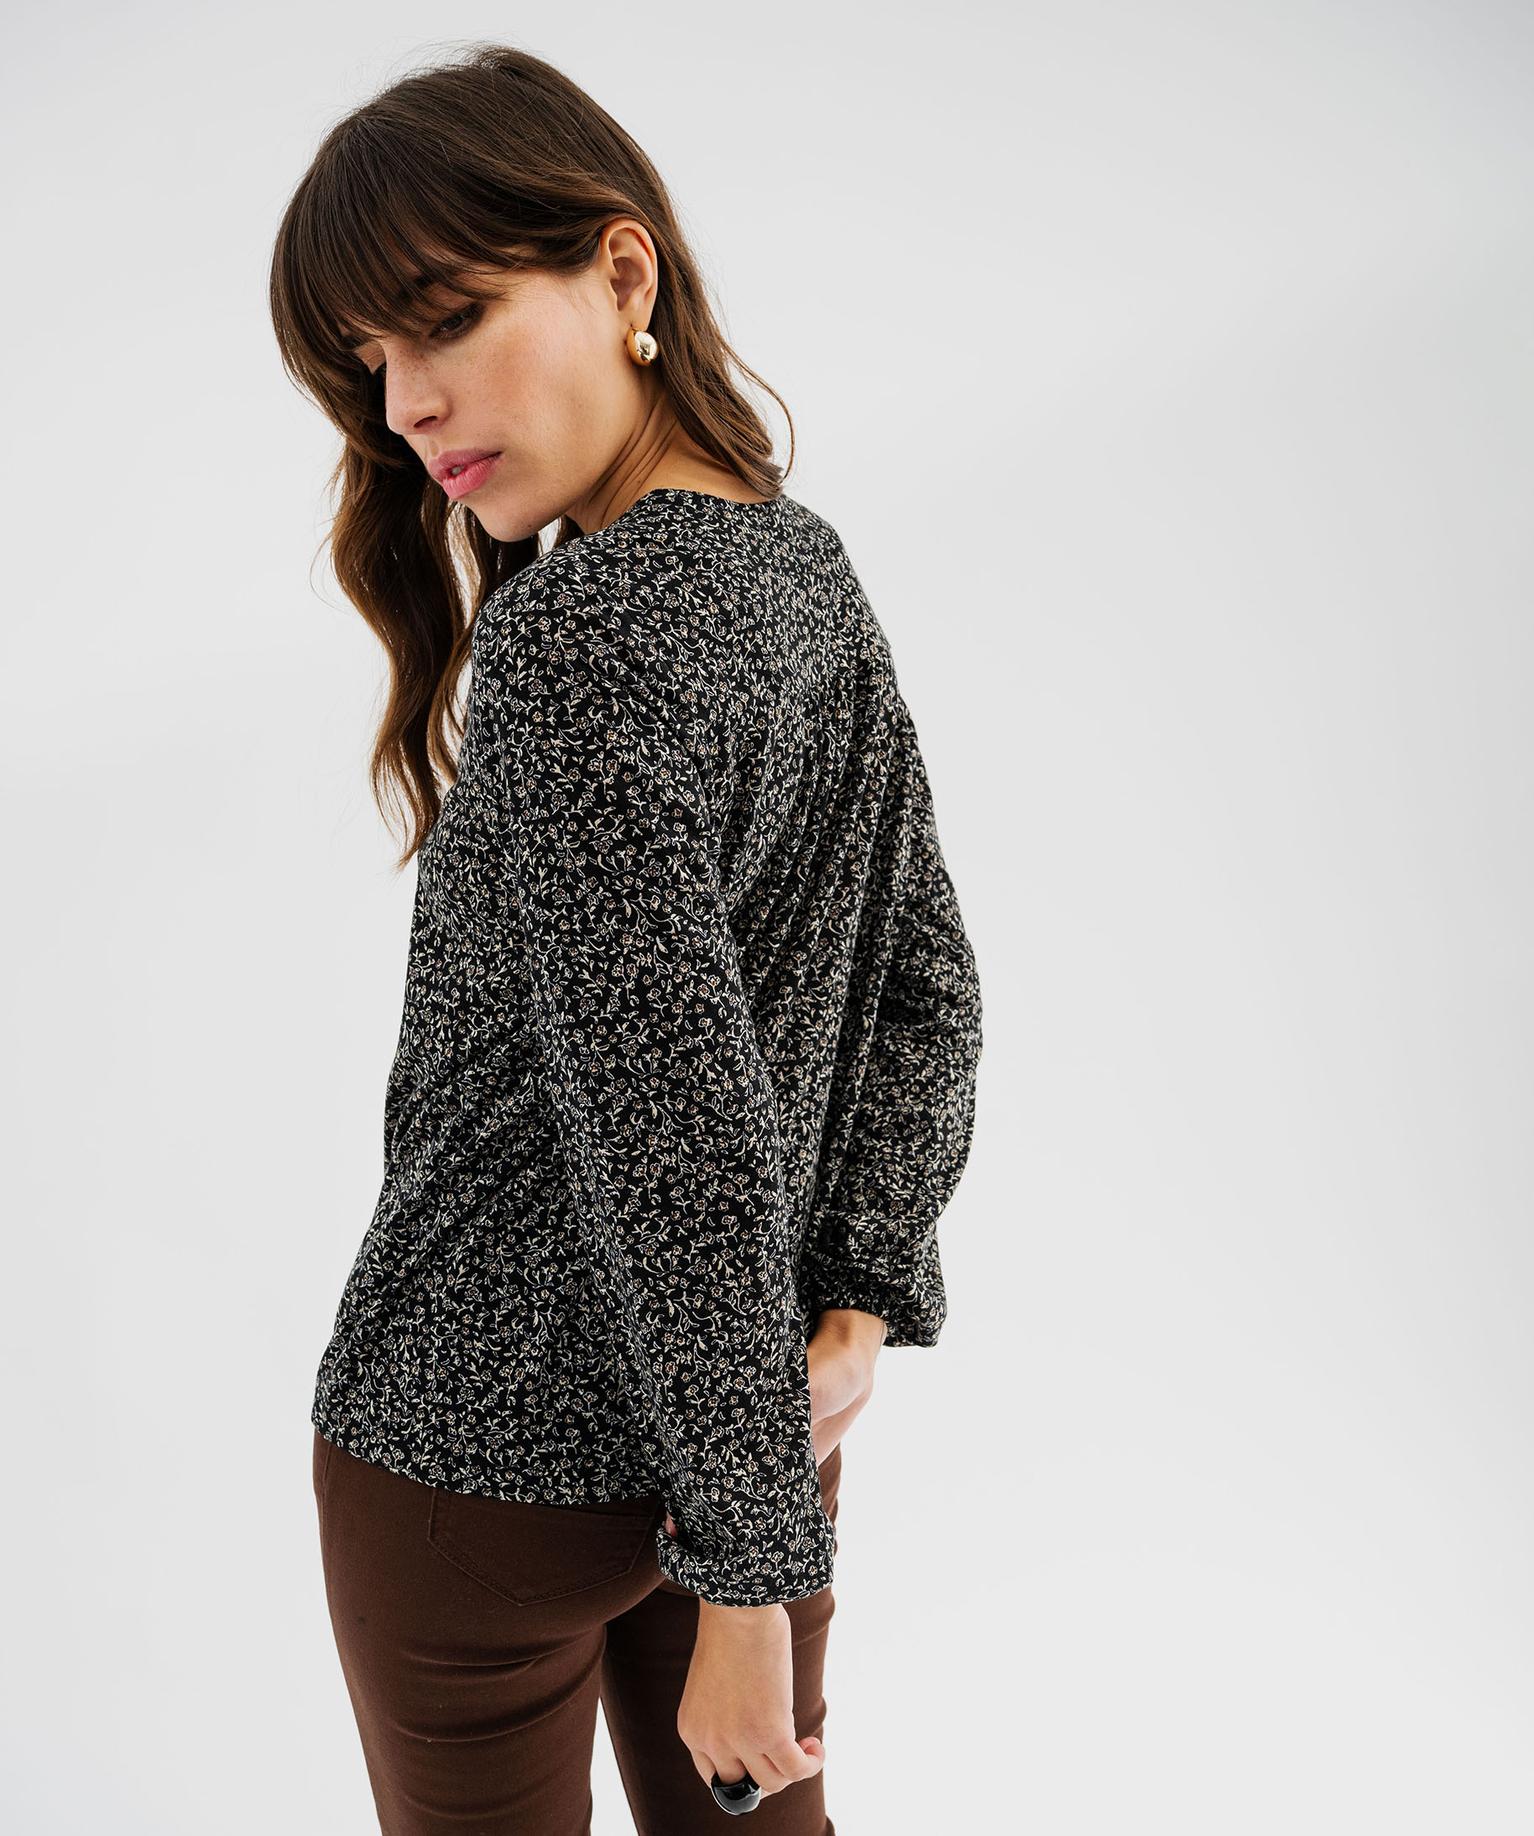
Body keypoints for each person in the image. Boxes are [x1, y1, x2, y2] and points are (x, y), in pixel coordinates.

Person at [269, 42, 983, 1836]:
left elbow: (672, 1130)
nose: (410, 403)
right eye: (372, 360)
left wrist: (745, 1578)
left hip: (476, 1469)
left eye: (447, 319)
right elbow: (927, 994)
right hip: (748, 1431)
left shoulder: (574, 638)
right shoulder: (806, 572)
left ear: (621, 271)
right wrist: (848, 1308)